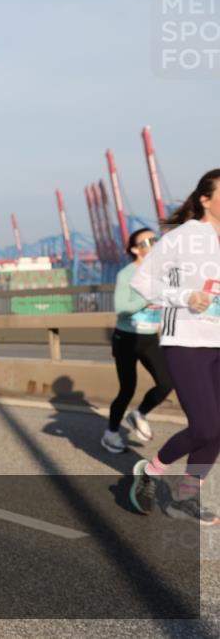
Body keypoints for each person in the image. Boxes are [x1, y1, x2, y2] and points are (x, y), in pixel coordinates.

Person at [130, 168, 220, 524]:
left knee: (219, 428)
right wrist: (185, 296)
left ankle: (184, 497)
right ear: (205, 199)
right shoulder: (183, 236)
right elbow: (142, 281)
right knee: (205, 427)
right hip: (185, 339)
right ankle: (150, 470)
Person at [101, 228, 174, 453]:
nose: (154, 243)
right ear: (135, 249)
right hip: (126, 339)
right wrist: (146, 298)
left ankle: (139, 414)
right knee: (127, 390)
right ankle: (111, 433)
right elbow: (121, 309)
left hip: (151, 338)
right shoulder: (127, 274)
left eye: (156, 239)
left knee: (167, 383)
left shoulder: (162, 272)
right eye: (148, 241)